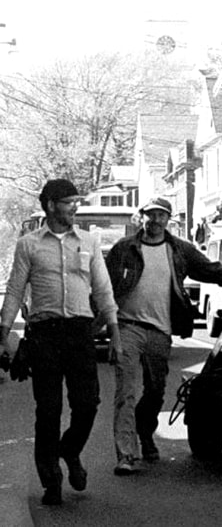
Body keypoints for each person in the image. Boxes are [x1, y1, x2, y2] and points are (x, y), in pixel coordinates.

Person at [0, 179, 120, 505]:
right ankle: (50, 479)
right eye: (69, 202)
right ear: (51, 205)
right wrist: (3, 333)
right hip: (45, 335)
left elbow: (103, 289)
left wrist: (115, 331)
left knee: (87, 403)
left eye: (75, 201)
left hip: (80, 333)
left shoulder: (90, 242)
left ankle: (70, 449)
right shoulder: (28, 245)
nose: (74, 207)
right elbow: (13, 291)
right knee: (48, 410)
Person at [105, 196, 222, 476]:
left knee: (154, 393)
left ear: (169, 220)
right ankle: (126, 454)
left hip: (161, 330)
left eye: (161, 216)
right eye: (150, 215)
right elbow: (103, 287)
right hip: (127, 326)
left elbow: (211, 271)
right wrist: (103, 324)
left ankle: (145, 431)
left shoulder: (179, 250)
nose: (155, 221)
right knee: (125, 392)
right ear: (141, 217)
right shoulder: (123, 249)